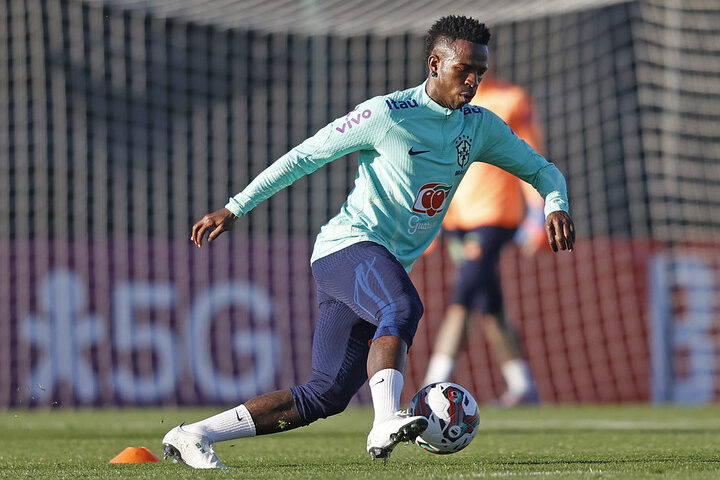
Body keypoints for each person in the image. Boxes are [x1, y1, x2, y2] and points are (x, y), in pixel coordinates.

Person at [162, 15, 575, 469]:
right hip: (347, 247)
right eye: (464, 70)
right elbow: (304, 156)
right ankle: (384, 421)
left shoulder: (478, 126)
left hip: (380, 264)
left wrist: (555, 203)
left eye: (481, 71)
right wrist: (235, 206)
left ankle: (193, 434)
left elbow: (541, 169)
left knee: (325, 394)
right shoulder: (386, 114)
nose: (474, 81)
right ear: (435, 63)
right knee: (402, 307)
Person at [422, 74, 547, 406]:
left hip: (494, 217)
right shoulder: (444, 103)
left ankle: (433, 383)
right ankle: (522, 385)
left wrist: (538, 213)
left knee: (462, 296)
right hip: (455, 219)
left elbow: (531, 156)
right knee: (489, 303)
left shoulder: (511, 99)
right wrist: (428, 217)